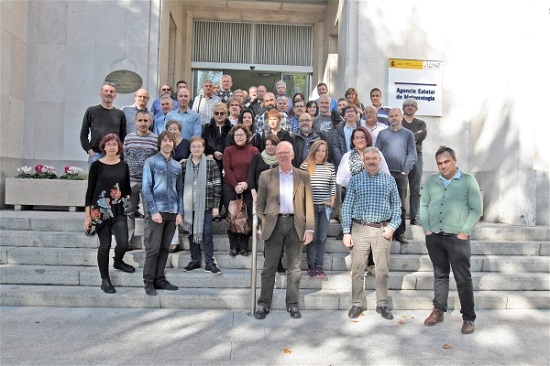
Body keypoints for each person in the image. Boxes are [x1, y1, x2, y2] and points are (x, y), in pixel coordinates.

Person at [420, 146, 482, 335]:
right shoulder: (431, 181)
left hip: (457, 238)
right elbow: (423, 204)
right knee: (440, 275)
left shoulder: (468, 180)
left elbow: (476, 209)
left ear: (455, 160)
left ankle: (468, 318)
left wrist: (465, 231)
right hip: (435, 237)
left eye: (447, 162)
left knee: (463, 279)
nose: (443, 166)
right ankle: (438, 310)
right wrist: (427, 229)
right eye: (439, 163)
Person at [254, 141, 314, 320]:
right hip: (274, 225)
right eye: (279, 153)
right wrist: (264, 223)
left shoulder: (303, 176)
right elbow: (260, 205)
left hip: (296, 225)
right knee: (268, 267)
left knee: (294, 268)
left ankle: (293, 304)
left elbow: (308, 204)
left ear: (293, 155)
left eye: (286, 152)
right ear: (276, 156)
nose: (282, 155)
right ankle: (264, 303)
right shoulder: (266, 176)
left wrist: (309, 228)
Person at [341, 147, 401, 320]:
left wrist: (393, 226)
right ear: (363, 161)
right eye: (368, 158)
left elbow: (397, 206)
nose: (371, 161)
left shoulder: (389, 180)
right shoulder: (355, 180)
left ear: (379, 160)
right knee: (358, 269)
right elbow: (347, 207)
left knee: (382, 270)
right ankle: (357, 304)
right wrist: (346, 232)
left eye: (374, 158)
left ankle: (382, 304)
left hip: (382, 230)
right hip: (360, 229)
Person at [84, 134, 135, 294]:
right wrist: (87, 217)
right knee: (105, 245)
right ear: (104, 147)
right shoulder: (96, 165)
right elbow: (89, 191)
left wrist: (126, 203)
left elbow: (127, 189)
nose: (112, 147)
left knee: (123, 242)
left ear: (119, 147)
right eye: (109, 144)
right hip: (100, 211)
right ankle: (105, 280)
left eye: (115, 144)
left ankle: (118, 261)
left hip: (118, 209)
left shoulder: (123, 166)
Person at [141, 131, 183, 296]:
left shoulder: (177, 166)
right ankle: (148, 281)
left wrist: (180, 212)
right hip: (157, 211)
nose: (167, 143)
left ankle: (159, 279)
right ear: (160, 143)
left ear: (173, 144)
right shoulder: (150, 162)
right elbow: (146, 188)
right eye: (164, 141)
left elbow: (179, 191)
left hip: (172, 212)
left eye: (170, 141)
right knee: (153, 248)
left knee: (165, 248)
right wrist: (153, 210)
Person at [375, 108, 417, 245]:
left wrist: (405, 171)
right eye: (391, 116)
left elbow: (412, 155)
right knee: (382, 203)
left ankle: (400, 233)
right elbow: (377, 154)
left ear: (401, 117)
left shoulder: (408, 134)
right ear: (388, 118)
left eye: (396, 115)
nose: (393, 118)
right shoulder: (382, 134)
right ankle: (384, 230)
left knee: (400, 205)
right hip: (384, 175)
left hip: (400, 174)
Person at [182, 137, 223, 275]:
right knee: (191, 233)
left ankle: (209, 261)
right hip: (189, 206)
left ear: (204, 148)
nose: (196, 149)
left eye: (199, 146)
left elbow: (217, 184)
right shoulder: (184, 165)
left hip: (206, 205)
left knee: (206, 232)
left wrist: (216, 206)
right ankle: (195, 260)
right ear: (190, 148)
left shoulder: (211, 163)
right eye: (194, 146)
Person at [123, 110, 158, 252]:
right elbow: (125, 159)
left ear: (150, 122)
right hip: (130, 181)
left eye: (146, 121)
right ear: (135, 122)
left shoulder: (155, 139)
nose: (143, 123)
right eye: (140, 120)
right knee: (128, 212)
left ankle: (147, 243)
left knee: (148, 214)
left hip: (147, 183)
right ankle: (126, 241)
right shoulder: (128, 138)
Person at [300, 140, 336, 278]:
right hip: (311, 208)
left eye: (324, 151)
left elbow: (332, 185)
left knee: (322, 237)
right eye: (319, 150)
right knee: (312, 238)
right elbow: (301, 187)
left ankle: (319, 265)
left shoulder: (330, 167)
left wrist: (332, 200)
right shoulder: (305, 166)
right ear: (313, 150)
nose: (321, 153)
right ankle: (311, 266)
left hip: (325, 208)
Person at [223, 124, 259, 256]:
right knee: (233, 215)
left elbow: (255, 169)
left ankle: (243, 245)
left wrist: (246, 184)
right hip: (230, 186)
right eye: (236, 135)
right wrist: (235, 185)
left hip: (248, 186)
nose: (239, 137)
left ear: (247, 136)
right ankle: (233, 246)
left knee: (247, 215)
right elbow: (227, 169)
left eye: (241, 135)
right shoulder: (228, 150)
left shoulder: (254, 150)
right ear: (233, 136)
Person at [80, 82, 126, 167]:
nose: (109, 93)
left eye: (111, 92)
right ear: (101, 94)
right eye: (106, 91)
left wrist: (119, 154)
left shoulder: (120, 114)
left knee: (113, 180)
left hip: (114, 156)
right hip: (96, 155)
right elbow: (83, 134)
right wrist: (90, 152)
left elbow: (123, 137)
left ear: (115, 95)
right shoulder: (91, 111)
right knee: (95, 180)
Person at [202, 102, 232, 219]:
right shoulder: (206, 127)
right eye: (216, 113)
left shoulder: (231, 128)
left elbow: (233, 144)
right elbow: (203, 143)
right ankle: (214, 211)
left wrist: (225, 154)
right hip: (212, 161)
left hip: (226, 161)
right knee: (212, 186)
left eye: (222, 113)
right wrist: (213, 152)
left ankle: (224, 211)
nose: (219, 115)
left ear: (226, 114)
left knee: (225, 186)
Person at [165, 120, 190, 253]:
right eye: (170, 129)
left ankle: (188, 229)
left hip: (186, 179)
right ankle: (174, 241)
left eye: (176, 129)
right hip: (170, 180)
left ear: (180, 130)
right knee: (172, 209)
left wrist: (186, 161)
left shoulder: (186, 143)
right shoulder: (166, 144)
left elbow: (193, 156)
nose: (173, 131)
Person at [401, 98, 428, 225]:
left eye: (412, 105)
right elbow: (397, 135)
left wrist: (406, 136)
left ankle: (414, 216)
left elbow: (422, 135)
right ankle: (400, 215)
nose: (410, 107)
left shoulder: (421, 123)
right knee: (401, 187)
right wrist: (413, 136)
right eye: (407, 105)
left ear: (416, 109)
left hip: (417, 156)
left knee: (415, 188)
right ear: (403, 108)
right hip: (401, 157)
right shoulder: (399, 121)